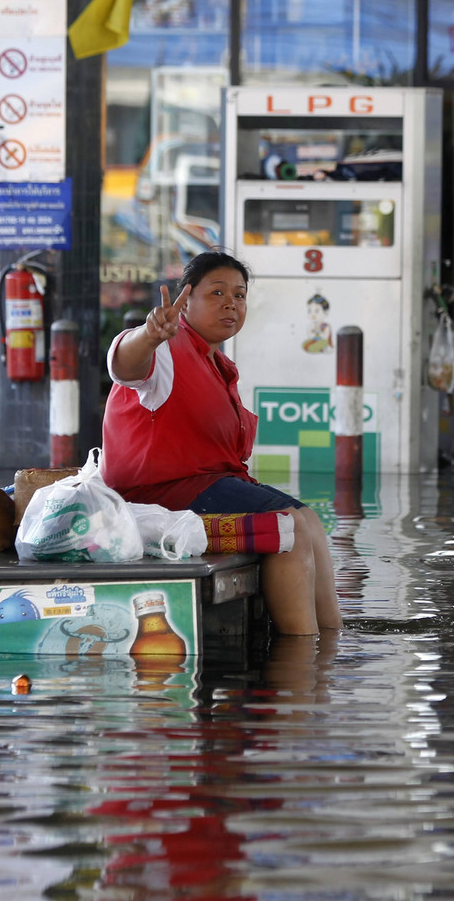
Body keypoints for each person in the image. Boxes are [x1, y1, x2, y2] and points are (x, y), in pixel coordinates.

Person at [101, 249, 342, 636]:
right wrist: (149, 333)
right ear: (186, 299)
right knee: (289, 528)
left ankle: (332, 639)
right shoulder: (164, 346)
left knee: (310, 522)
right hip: (158, 497)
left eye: (240, 295)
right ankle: (302, 656)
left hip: (206, 488)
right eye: (217, 293)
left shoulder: (217, 363)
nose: (231, 303)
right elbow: (123, 366)